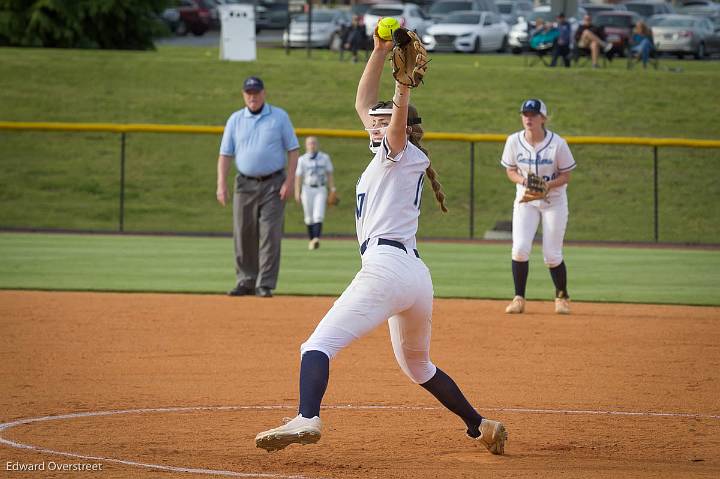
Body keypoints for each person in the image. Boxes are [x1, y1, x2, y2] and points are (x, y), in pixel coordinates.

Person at [254, 29, 507, 455]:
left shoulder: (398, 151)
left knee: (317, 345)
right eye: (373, 118)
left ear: (399, 126)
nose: (372, 120)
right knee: (418, 365)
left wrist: (401, 87)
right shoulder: (390, 157)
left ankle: (307, 417)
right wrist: (378, 51)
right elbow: (361, 102)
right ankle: (481, 425)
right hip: (414, 275)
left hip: (386, 269)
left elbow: (394, 116)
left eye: (382, 118)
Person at [216, 76, 300, 298]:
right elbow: (225, 154)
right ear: (244, 95)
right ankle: (246, 280)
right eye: (248, 93)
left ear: (263, 93)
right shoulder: (235, 119)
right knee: (243, 232)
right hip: (244, 182)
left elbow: (293, 150)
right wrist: (221, 184)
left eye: (256, 92)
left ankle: (265, 283)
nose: (252, 97)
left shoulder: (279, 117)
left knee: (269, 234)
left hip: (273, 183)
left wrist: (289, 182)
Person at [500, 99, 576, 315]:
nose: (528, 118)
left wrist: (547, 185)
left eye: (533, 114)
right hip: (526, 201)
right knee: (520, 249)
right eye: (525, 114)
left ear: (543, 118)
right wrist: (525, 182)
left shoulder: (557, 144)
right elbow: (510, 170)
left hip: (554, 202)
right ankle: (518, 298)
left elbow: (566, 175)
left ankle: (562, 297)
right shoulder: (514, 141)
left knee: (551, 254)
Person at [294, 136, 336, 250]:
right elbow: (298, 176)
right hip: (307, 189)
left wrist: (333, 189)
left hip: (320, 188)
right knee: (308, 217)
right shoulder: (302, 159)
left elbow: (329, 174)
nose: (312, 145)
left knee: (318, 215)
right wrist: (297, 192)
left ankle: (316, 238)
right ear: (306, 145)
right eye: (309, 143)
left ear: (317, 145)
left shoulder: (324, 158)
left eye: (313, 143)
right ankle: (312, 240)